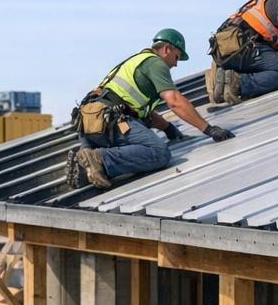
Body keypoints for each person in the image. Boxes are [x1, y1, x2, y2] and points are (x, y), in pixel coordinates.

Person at [67, 29, 234, 190]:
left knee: (124, 152)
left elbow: (138, 113)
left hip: (89, 125)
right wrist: (209, 129)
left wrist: (168, 128)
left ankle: (87, 166)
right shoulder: (155, 63)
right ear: (167, 49)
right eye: (176, 57)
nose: (175, 64)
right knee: (160, 153)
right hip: (108, 121)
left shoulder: (137, 61)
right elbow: (174, 101)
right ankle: (99, 158)